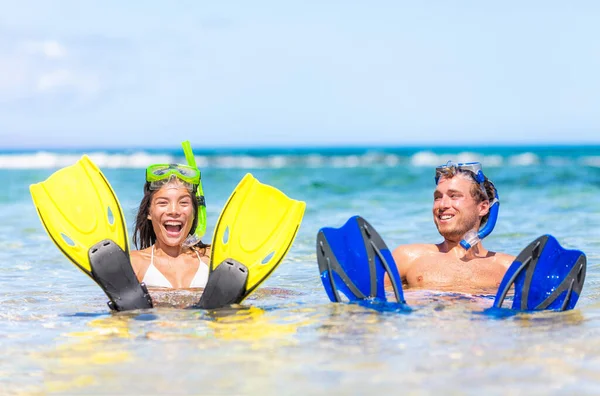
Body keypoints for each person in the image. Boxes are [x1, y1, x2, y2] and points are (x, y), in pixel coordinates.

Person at [391, 161, 515, 294]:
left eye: (454, 196)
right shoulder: (407, 258)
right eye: (438, 197)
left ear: (483, 207)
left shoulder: (510, 269)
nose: (442, 205)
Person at [129, 164, 211, 291]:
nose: (174, 211)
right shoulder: (134, 263)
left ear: (195, 212)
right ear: (149, 212)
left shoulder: (212, 257)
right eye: (163, 203)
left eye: (184, 202)